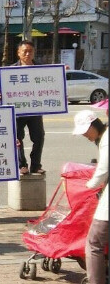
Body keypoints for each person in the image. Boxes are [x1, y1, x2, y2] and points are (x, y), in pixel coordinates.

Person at [73, 109, 109, 284]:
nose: (85, 135)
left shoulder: (107, 139)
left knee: (94, 243)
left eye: (85, 131)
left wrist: (90, 185)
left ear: (94, 125)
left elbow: (104, 169)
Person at [12, 41, 45, 175]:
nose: (27, 53)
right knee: (17, 138)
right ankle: (22, 165)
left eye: (30, 51)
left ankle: (36, 165)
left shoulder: (41, 69)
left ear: (34, 52)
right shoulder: (10, 70)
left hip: (35, 110)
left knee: (39, 137)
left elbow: (49, 86)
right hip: (18, 112)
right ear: (18, 53)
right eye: (24, 51)